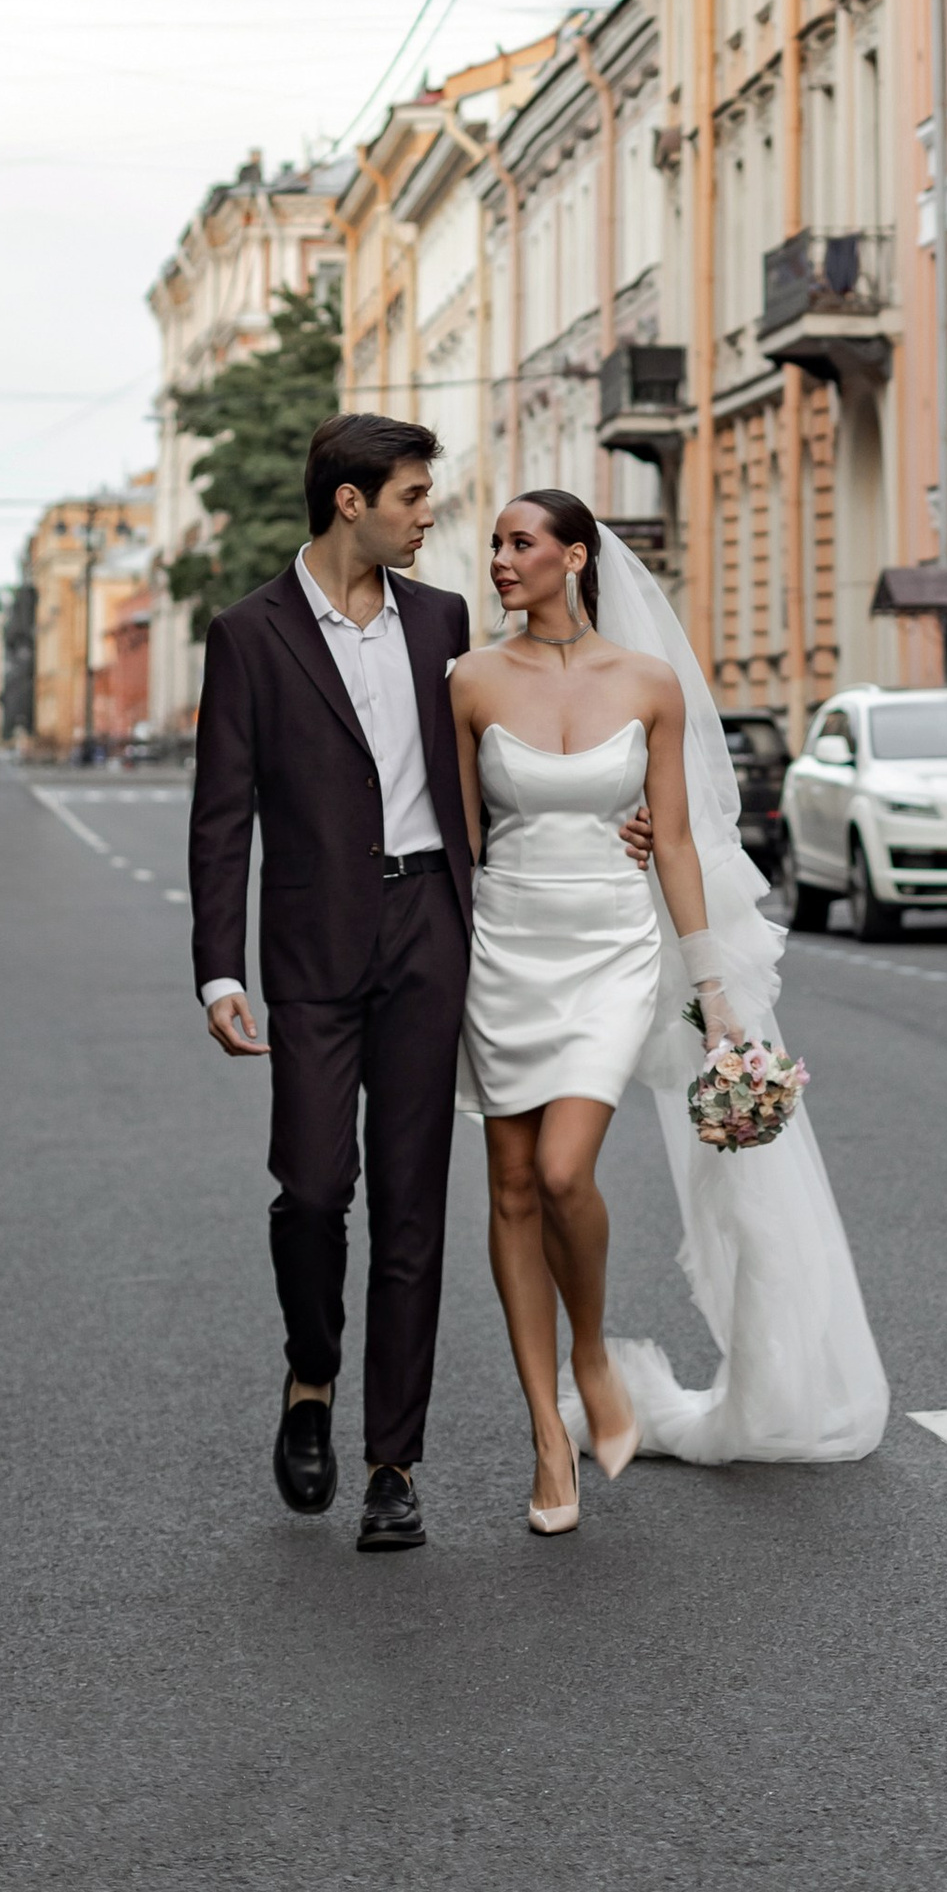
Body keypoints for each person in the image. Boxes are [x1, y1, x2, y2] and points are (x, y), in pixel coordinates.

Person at [186, 413, 655, 1554]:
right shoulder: (248, 633)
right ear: (352, 502)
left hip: (433, 931)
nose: (429, 513)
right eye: (412, 494)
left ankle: (393, 1462)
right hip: (308, 946)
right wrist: (217, 969)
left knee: (410, 1205)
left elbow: (504, 765)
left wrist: (612, 820)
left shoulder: (441, 621)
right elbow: (222, 815)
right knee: (310, 1188)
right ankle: (312, 1375)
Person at [454, 487, 887, 1533]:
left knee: (563, 1172)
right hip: (503, 945)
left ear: (574, 556)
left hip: (609, 947)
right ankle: (547, 1440)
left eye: (521, 543)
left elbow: (680, 842)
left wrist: (713, 991)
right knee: (511, 1187)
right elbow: (461, 847)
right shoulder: (466, 679)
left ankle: (591, 1351)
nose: (501, 561)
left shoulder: (648, 683)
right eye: (496, 545)